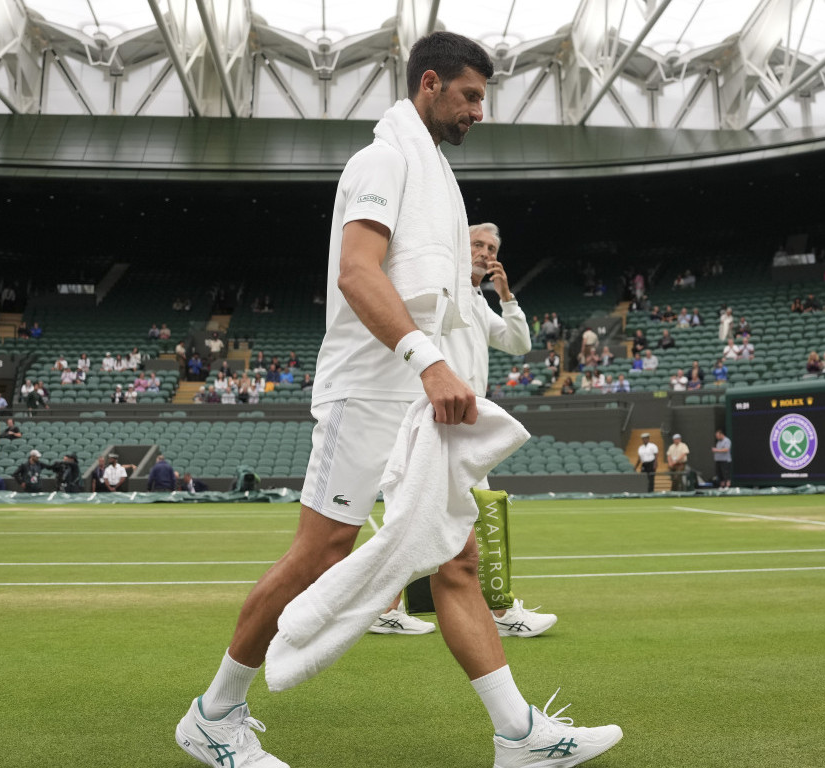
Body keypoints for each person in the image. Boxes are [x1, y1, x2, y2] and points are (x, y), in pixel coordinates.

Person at [176, 34, 619, 768]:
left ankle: (519, 737)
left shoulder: (435, 172)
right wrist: (429, 361)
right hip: (370, 389)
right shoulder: (382, 160)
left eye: (484, 99)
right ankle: (213, 716)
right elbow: (357, 272)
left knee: (457, 558)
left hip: (418, 394)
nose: (479, 111)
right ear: (430, 83)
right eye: (470, 95)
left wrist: (440, 369)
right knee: (322, 550)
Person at [373, 222, 555, 639]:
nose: (486, 252)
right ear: (459, 246)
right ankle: (501, 610)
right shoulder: (444, 290)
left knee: (417, 518)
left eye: (491, 247)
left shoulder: (478, 302)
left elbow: (519, 344)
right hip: (442, 416)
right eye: (477, 244)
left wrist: (506, 296)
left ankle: (385, 607)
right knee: (478, 512)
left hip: (464, 421)